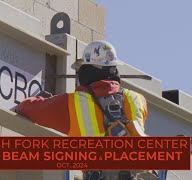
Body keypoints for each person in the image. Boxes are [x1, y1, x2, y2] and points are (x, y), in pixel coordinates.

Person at [16, 41, 157, 180]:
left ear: (86, 71)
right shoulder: (137, 99)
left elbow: (26, 108)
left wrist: (41, 99)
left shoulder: (72, 104)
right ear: (114, 70)